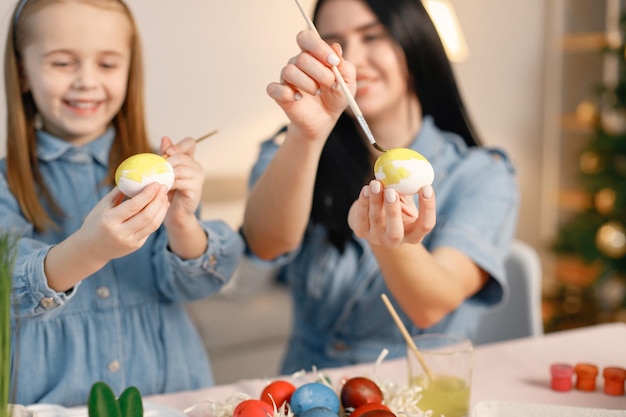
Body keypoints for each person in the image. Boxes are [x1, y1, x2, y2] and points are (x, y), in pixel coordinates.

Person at [242, 0, 519, 374]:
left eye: (373, 36)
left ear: (415, 42)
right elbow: (265, 243)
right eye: (335, 44)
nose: (352, 61)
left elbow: (431, 305)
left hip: (417, 393)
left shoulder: (482, 174)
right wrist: (306, 136)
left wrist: (387, 241)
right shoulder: (291, 149)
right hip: (309, 392)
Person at [2, 0, 244, 406]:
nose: (86, 81)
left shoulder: (161, 172)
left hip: (172, 395)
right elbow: (9, 288)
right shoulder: (6, 183)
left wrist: (183, 222)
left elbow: (196, 284)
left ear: (130, 72)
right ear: (23, 72)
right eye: (62, 63)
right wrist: (89, 249)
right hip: (51, 401)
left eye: (108, 64)